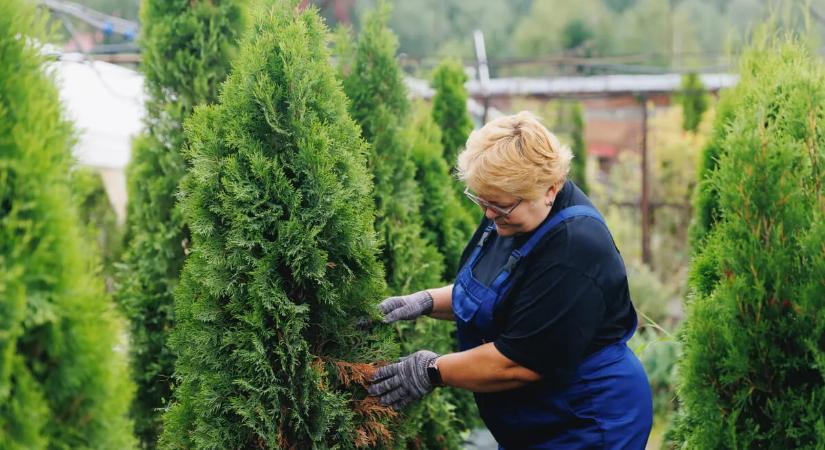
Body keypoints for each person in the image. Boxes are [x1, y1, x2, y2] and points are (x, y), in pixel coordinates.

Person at [368, 112, 653, 449]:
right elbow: (496, 295)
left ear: (550, 189)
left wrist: (432, 370)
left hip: (586, 418)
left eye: (500, 206)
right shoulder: (510, 212)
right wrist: (424, 301)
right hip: (535, 418)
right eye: (483, 201)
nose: (489, 214)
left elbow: (518, 361)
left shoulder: (574, 248)